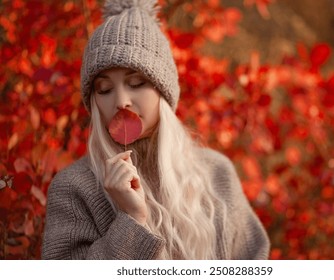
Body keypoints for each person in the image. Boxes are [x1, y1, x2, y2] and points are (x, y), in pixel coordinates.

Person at [42, 0, 270, 260]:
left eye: (137, 83)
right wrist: (132, 221)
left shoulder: (217, 173)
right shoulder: (73, 188)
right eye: (104, 89)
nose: (121, 101)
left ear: (163, 92)